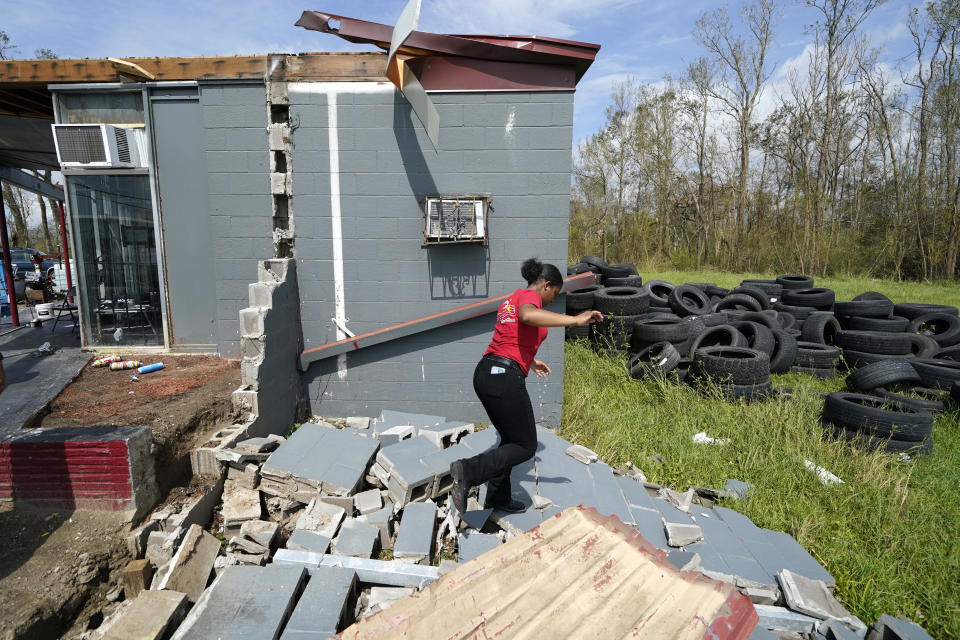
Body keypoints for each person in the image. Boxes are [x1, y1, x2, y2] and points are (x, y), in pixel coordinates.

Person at [449, 258, 603, 514]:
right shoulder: (527, 300)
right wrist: (575, 321)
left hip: (488, 371)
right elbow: (528, 316)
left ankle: (498, 497)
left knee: (510, 440)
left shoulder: (513, 298)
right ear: (546, 285)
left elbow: (511, 338)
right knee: (525, 445)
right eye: (554, 294)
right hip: (503, 377)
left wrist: (531, 362)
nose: (553, 300)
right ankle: (467, 470)